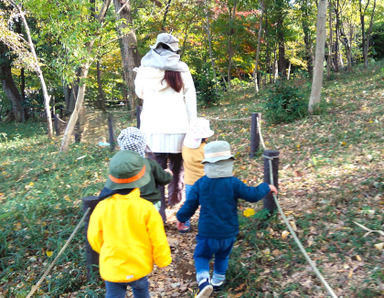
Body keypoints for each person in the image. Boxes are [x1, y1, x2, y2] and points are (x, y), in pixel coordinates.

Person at [176, 141, 278, 297]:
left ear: (207, 163)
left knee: (201, 255)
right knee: (223, 256)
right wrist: (266, 187)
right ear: (229, 162)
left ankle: (204, 282)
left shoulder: (200, 184)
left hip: (208, 232)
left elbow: (190, 205)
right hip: (229, 232)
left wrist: (181, 218)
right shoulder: (233, 183)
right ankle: (217, 283)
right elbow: (252, 195)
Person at [87, 150, 172, 298]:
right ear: (141, 178)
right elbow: (158, 238)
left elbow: (94, 237)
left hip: (112, 266)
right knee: (141, 292)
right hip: (138, 266)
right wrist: (162, 260)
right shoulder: (146, 208)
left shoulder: (102, 207)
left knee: (113, 295)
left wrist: (107, 250)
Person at [135, 32, 197, 222]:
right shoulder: (182, 69)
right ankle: (177, 205)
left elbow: (140, 94)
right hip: (179, 127)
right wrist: (192, 125)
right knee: (178, 169)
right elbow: (191, 99)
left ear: (157, 47)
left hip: (153, 129)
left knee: (155, 175)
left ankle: (159, 217)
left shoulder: (145, 69)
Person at [103, 126, 173, 210]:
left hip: (126, 205)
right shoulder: (150, 163)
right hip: (149, 203)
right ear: (142, 144)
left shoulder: (117, 165)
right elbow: (164, 179)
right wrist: (169, 173)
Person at [177, 118, 214, 233]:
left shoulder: (185, 147)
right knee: (206, 205)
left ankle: (184, 224)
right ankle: (205, 225)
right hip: (205, 182)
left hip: (189, 181)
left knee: (189, 204)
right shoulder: (206, 149)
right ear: (206, 137)